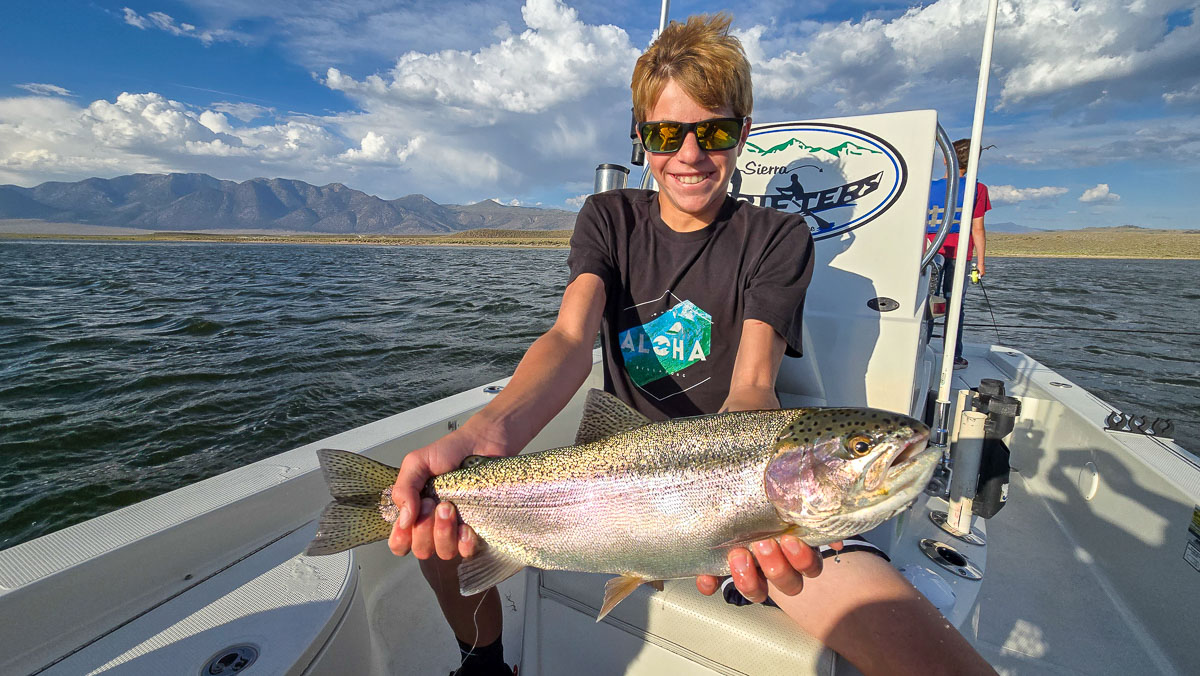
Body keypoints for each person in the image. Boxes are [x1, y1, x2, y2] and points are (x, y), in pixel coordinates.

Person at [388, 14, 995, 676]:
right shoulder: (608, 218)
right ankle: (483, 661)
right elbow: (569, 338)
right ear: (642, 137)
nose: (689, 154)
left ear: (743, 133)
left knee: (919, 650)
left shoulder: (777, 237)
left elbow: (752, 387)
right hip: (611, 475)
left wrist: (745, 493)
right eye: (665, 134)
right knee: (432, 522)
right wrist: (489, 431)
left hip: (732, 487)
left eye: (714, 131)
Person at [927, 138, 991, 369]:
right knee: (955, 304)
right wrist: (980, 262)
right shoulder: (978, 189)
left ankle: (920, 349)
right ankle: (953, 356)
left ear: (946, 159)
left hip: (930, 253)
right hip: (958, 255)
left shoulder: (930, 187)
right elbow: (978, 228)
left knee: (927, 302)